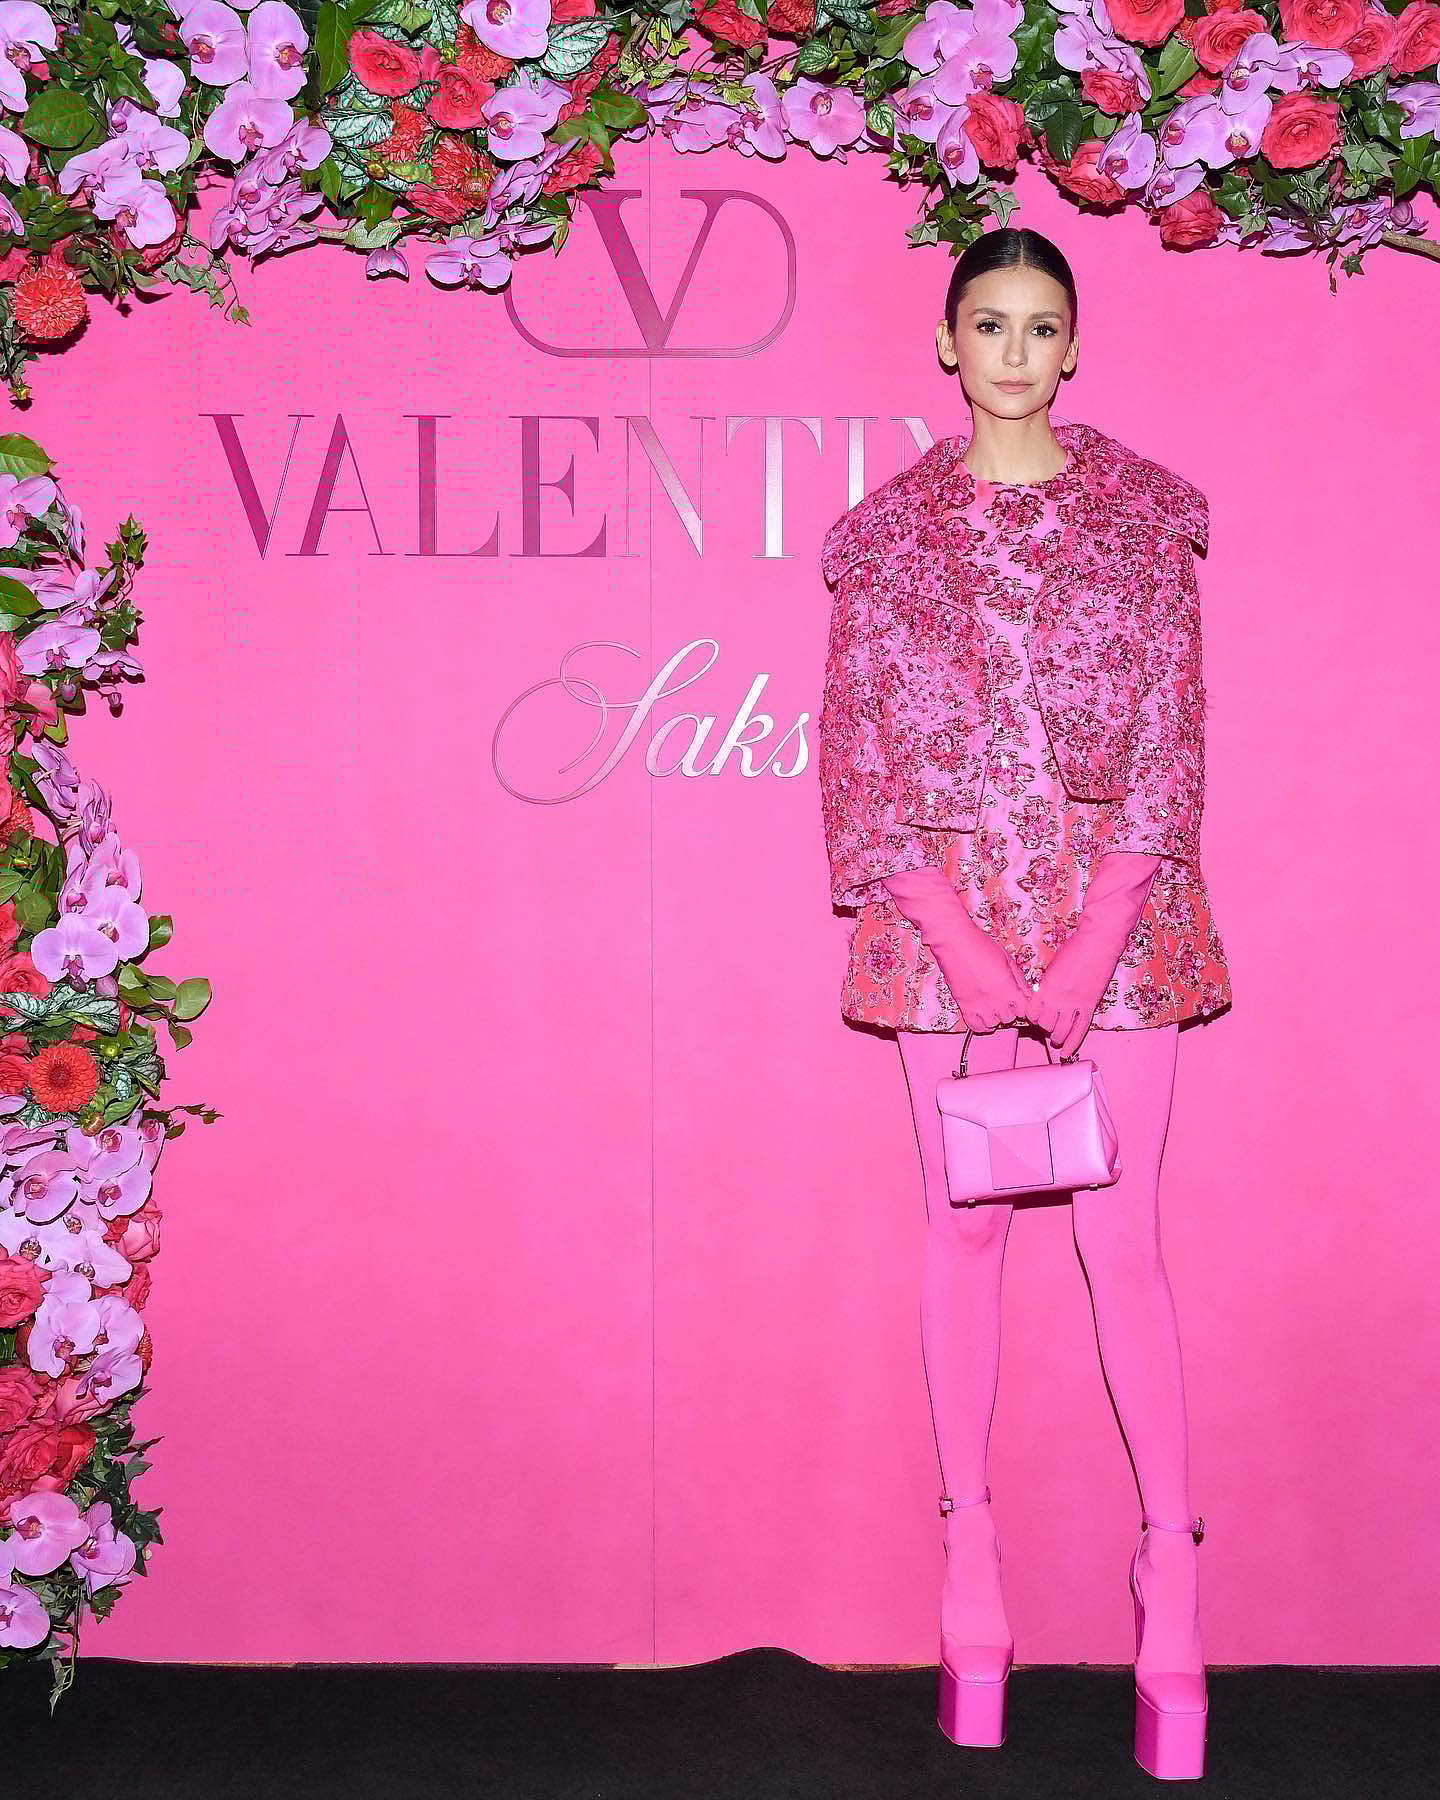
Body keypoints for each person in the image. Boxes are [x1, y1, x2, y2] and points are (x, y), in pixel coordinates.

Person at [815, 226, 1233, 1782]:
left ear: (1073, 347)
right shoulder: (886, 538)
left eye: (1039, 326)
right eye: (985, 324)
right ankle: (969, 1560)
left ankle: (1169, 1572)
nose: (1011, 352)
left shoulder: (1145, 520)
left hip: (1119, 923)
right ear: (946, 342)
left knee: (1125, 1243)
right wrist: (972, 953)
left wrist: (1082, 948)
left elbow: (1179, 745)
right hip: (941, 934)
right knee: (967, 1227)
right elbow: (855, 756)